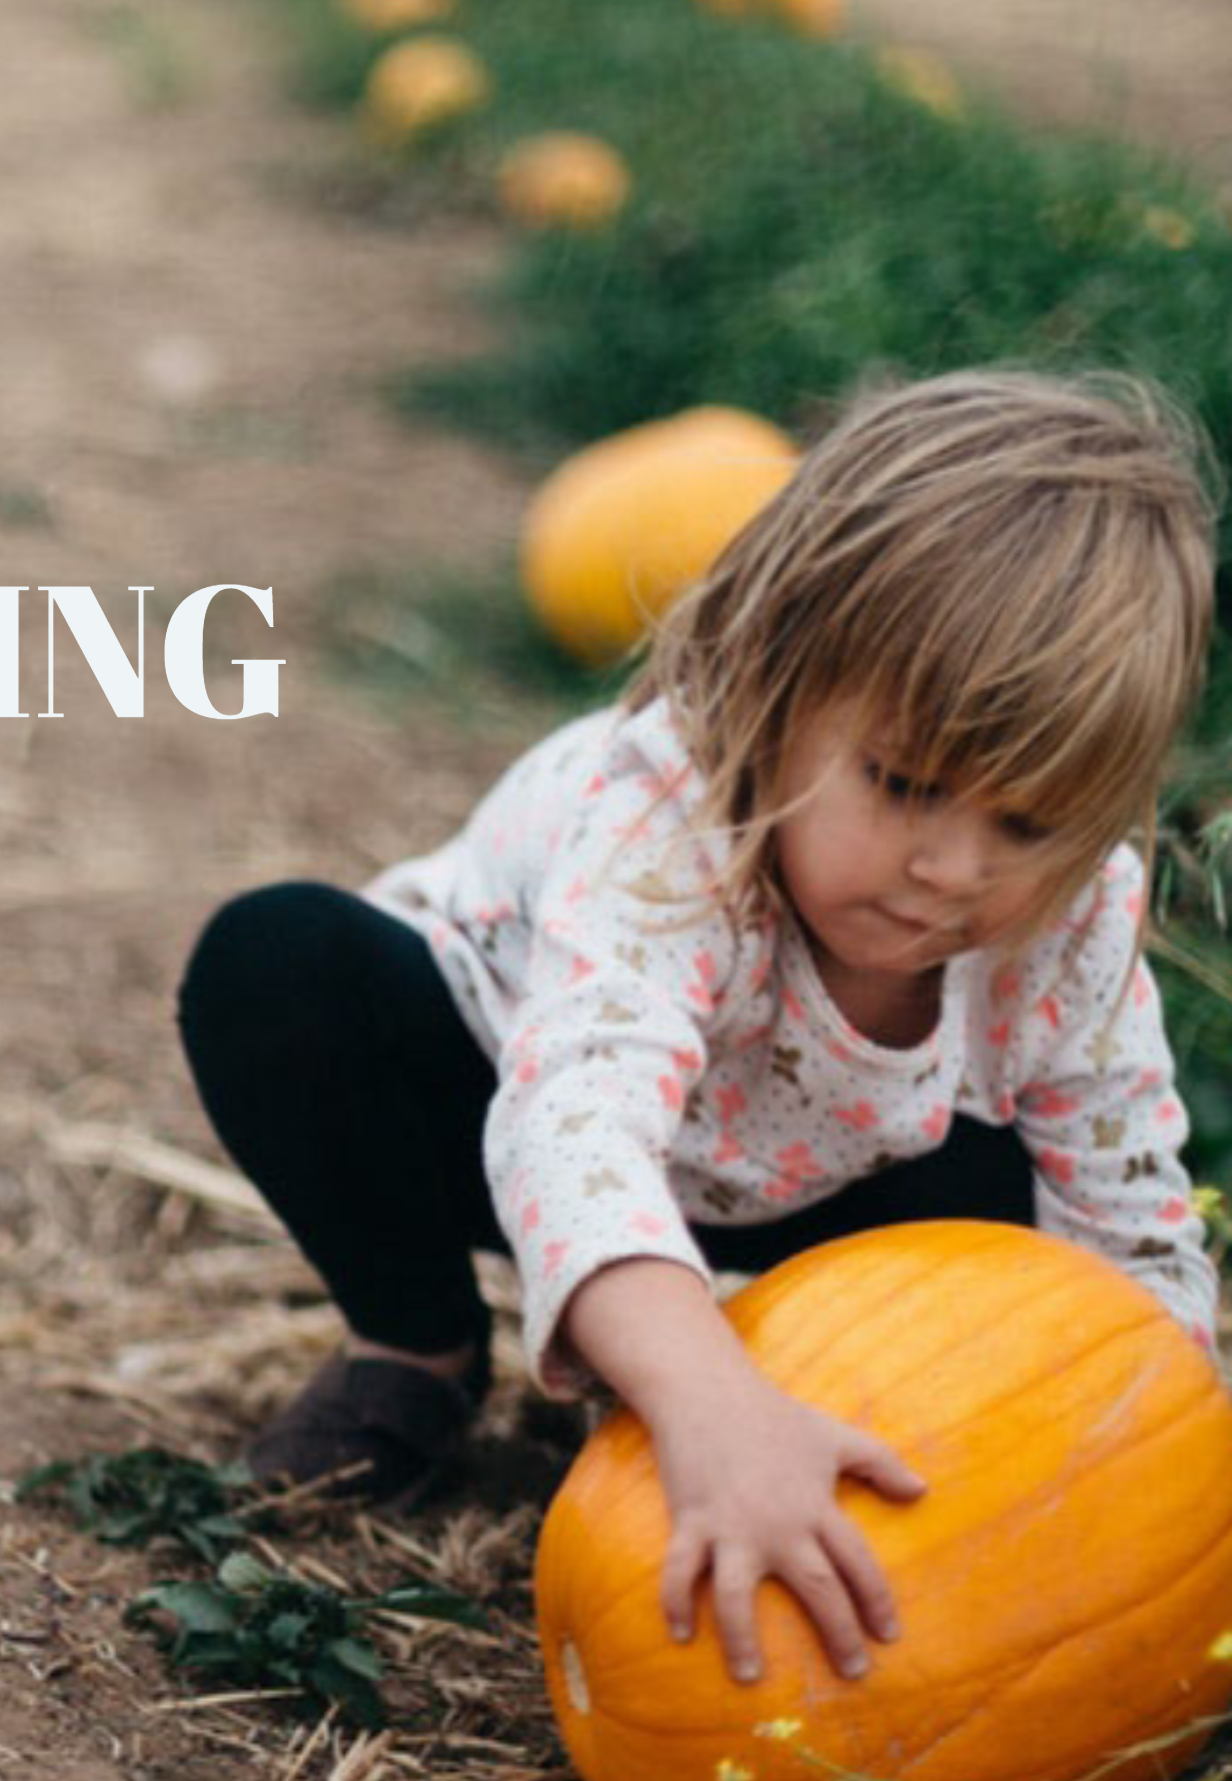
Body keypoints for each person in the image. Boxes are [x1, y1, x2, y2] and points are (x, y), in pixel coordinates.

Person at [176, 367, 1222, 1690]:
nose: (954, 870)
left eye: (1029, 823)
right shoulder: (675, 823)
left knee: (1026, 1213)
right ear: (774, 688)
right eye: (904, 785)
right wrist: (709, 1407)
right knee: (278, 967)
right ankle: (416, 1346)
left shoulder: (1070, 919)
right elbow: (574, 1127)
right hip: (497, 1104)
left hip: (823, 1174)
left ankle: (818, 1399)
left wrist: (1159, 1488)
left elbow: (1132, 1238)